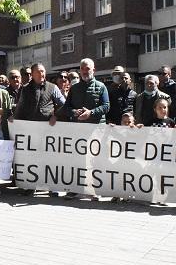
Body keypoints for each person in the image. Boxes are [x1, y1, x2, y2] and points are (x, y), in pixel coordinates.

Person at [58, 58, 110, 200]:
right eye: (83, 68)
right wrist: (73, 112)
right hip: (79, 130)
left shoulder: (101, 87)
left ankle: (95, 189)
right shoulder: (74, 88)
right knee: (77, 160)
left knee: (95, 160)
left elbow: (106, 106)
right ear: (80, 70)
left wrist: (91, 113)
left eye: (88, 68)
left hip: (97, 129)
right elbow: (66, 108)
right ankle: (75, 189)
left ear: (94, 70)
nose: (85, 71)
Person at [13, 63, 65, 195]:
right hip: (31, 130)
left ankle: (52, 187)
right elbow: (20, 107)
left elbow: (64, 105)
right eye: (38, 72)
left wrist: (56, 115)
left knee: (49, 159)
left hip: (48, 129)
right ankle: (31, 185)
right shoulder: (25, 89)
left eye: (43, 71)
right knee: (32, 159)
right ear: (33, 74)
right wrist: (14, 120)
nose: (41, 74)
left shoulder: (52, 88)